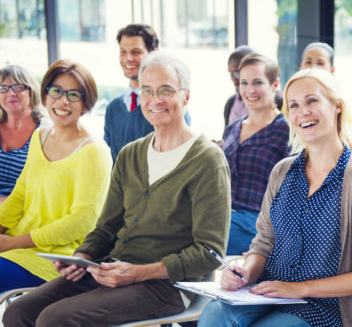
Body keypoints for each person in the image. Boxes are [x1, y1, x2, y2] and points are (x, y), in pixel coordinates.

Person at [3, 52, 231, 326]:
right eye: (147, 90)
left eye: (166, 90)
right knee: (18, 312)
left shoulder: (207, 159)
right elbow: (105, 227)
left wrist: (138, 273)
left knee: (55, 319)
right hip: (110, 269)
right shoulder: (130, 154)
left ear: (186, 96)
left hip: (167, 285)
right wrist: (82, 257)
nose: (155, 99)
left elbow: (210, 252)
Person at [198, 68, 352, 327]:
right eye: (293, 105)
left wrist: (301, 289)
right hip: (269, 292)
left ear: (337, 106)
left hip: (326, 306)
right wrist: (246, 272)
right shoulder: (282, 171)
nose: (302, 111)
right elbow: (263, 243)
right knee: (213, 315)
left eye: (312, 101)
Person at [0, 60, 112, 293]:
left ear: (86, 103)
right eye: (56, 91)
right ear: (46, 94)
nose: (63, 101)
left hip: (55, 258)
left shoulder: (94, 151)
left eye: (73, 94)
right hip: (16, 245)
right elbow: (21, 194)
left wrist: (13, 243)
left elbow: (82, 221)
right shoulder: (40, 136)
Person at [223, 53, 289, 255]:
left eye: (258, 82)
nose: (249, 90)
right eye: (244, 83)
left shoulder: (286, 130)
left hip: (260, 223)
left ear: (274, 84)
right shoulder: (233, 128)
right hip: (225, 215)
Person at [103, 23, 191, 161]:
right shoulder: (112, 108)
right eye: (123, 52)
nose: (128, 58)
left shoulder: (167, 107)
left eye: (136, 52)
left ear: (154, 53)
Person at [0, 65, 47, 203]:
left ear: (31, 91)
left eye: (17, 87)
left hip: (23, 210)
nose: (10, 93)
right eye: (3, 88)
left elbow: (45, 187)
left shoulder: (46, 130)